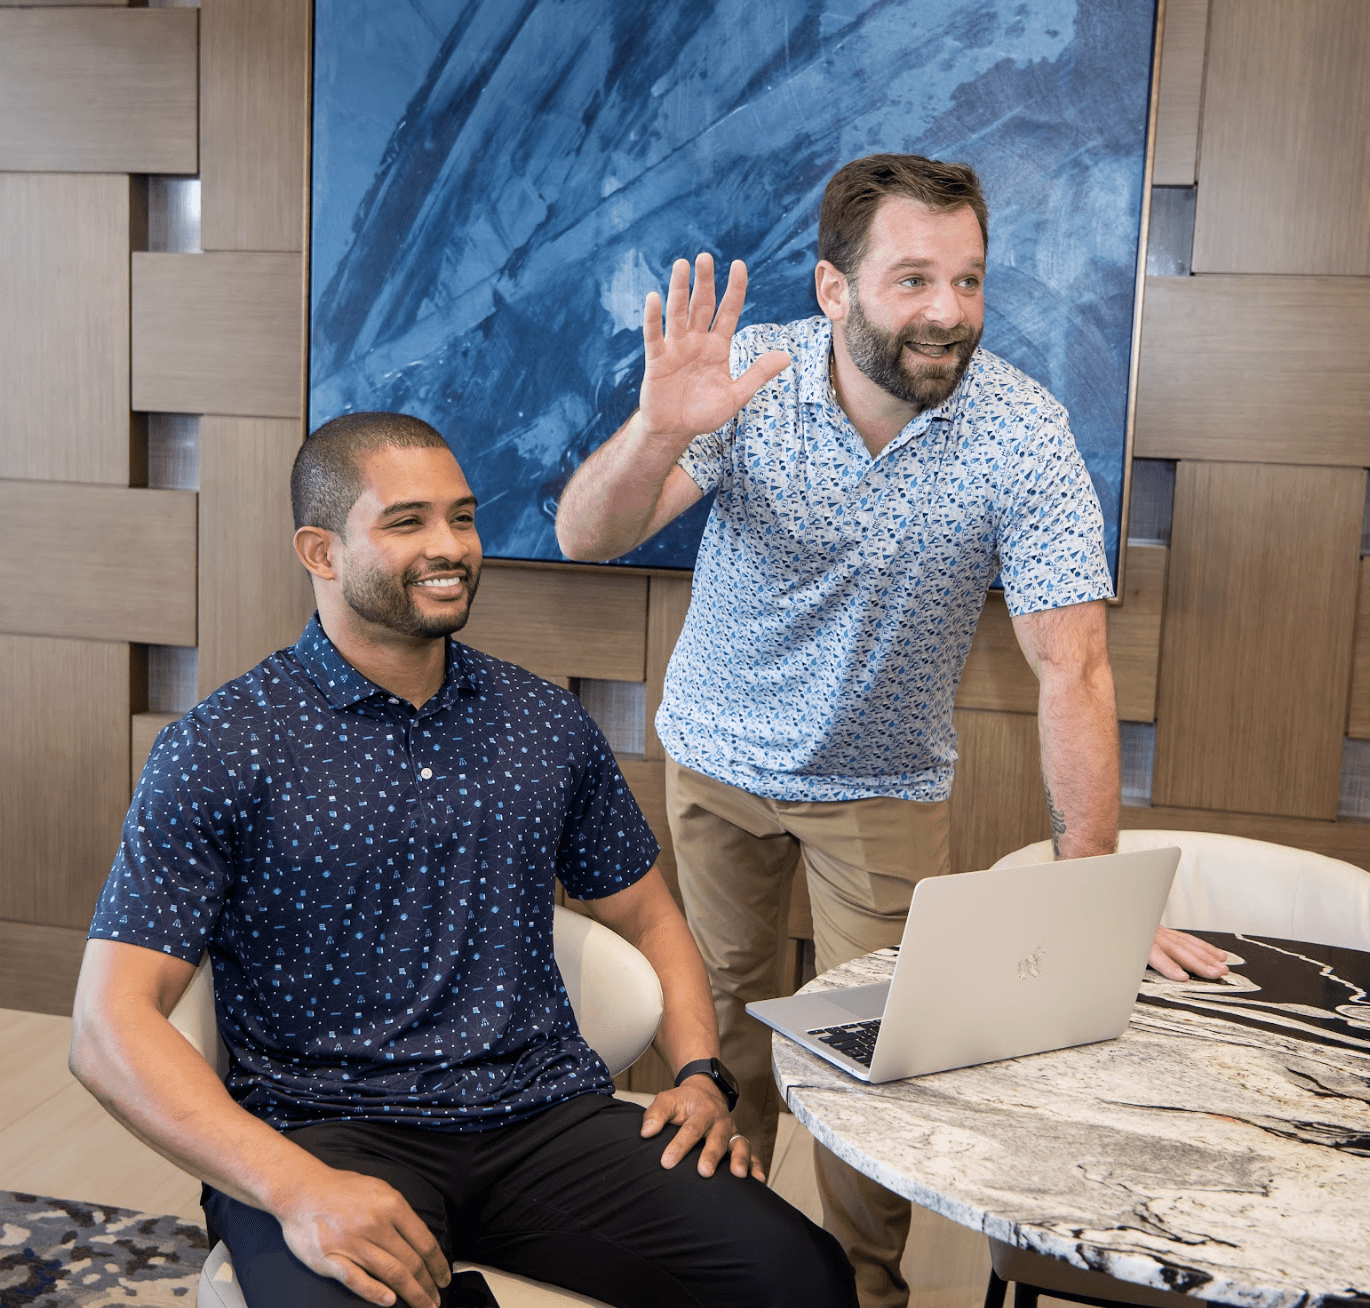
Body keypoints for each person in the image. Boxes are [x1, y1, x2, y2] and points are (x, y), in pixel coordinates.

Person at [554, 153, 1230, 1308]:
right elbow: (586, 536)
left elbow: (1069, 665)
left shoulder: (1020, 431)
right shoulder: (752, 378)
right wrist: (655, 432)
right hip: (714, 762)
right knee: (721, 1038)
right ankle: (739, 1272)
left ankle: (864, 1291)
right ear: (833, 289)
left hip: (878, 786)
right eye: (912, 279)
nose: (946, 311)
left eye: (966, 280)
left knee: (880, 1059)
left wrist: (1089, 896)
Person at [69, 412, 857, 1308]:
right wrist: (294, 1187)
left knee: (803, 1277)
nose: (450, 546)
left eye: (463, 517)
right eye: (407, 522)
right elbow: (106, 1027)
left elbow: (648, 915)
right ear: (321, 552)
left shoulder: (542, 724)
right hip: (322, 1133)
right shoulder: (223, 746)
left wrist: (698, 1073)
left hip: (544, 1120)